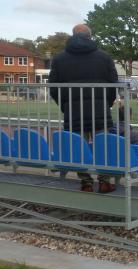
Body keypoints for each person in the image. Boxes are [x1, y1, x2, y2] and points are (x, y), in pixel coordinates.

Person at [48, 24, 118, 193]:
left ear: (72, 35)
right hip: (100, 110)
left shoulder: (58, 59)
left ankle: (85, 182)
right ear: (90, 36)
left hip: (73, 111)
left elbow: (53, 87)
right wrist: (107, 103)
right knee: (103, 146)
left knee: (78, 147)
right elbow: (113, 83)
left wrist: (65, 104)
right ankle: (104, 181)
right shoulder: (104, 57)